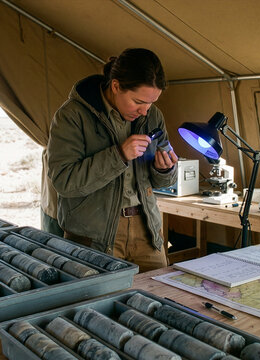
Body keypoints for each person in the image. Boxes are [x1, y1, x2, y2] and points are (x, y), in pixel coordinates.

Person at [47, 48, 178, 273]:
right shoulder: (72, 115)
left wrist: (165, 170)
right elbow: (64, 182)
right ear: (116, 86)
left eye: (151, 102)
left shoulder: (153, 116)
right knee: (98, 306)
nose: (145, 112)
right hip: (93, 236)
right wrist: (118, 155)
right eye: (138, 102)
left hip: (148, 232)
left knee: (158, 301)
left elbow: (163, 183)